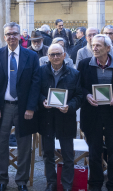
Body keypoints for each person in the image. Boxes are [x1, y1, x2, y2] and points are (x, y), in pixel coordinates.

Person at [0, 22, 41, 191]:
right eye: (8, 34)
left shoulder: (31, 56)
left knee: (24, 146)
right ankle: (2, 180)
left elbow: (35, 83)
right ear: (4, 37)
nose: (11, 37)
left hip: (24, 108)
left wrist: (31, 107)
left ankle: (22, 181)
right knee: (1, 144)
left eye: (14, 33)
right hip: (3, 108)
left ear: (20, 36)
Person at [77, 34, 113, 191]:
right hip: (92, 114)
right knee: (94, 153)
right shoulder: (84, 64)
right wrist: (86, 95)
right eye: (93, 45)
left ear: (108, 48)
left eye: (98, 45)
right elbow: (78, 87)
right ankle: (95, 184)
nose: (94, 48)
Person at [39, 44, 82, 191]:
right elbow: (36, 91)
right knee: (47, 154)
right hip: (47, 118)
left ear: (64, 55)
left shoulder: (74, 74)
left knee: (68, 155)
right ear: (47, 56)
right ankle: (51, 183)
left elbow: (79, 96)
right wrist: (42, 100)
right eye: (52, 55)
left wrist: (70, 106)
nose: (55, 57)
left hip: (66, 118)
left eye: (58, 54)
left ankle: (67, 185)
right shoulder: (40, 72)